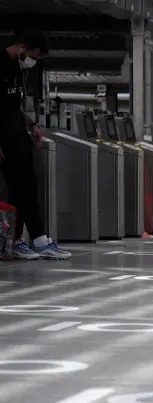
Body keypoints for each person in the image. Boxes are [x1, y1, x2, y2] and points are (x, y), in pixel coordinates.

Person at [0, 33, 70, 259]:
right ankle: (25, 241)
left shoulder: (17, 69)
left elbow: (12, 106)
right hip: (4, 139)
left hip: (17, 136)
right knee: (18, 189)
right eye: (33, 56)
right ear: (22, 46)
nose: (33, 62)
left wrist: (32, 124)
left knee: (27, 186)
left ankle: (29, 240)